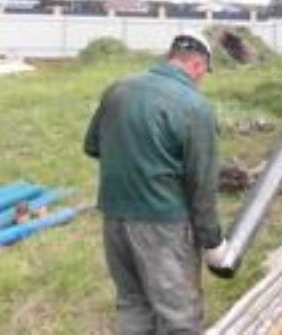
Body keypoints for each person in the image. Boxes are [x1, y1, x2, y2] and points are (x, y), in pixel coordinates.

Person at [84, 30, 228, 334]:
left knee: (133, 304)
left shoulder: (118, 90)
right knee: (179, 317)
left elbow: (93, 146)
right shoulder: (195, 107)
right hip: (163, 225)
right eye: (203, 73)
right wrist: (212, 241)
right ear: (198, 65)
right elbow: (202, 185)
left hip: (115, 220)